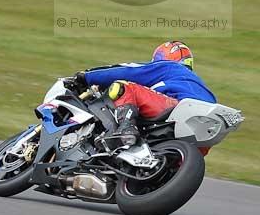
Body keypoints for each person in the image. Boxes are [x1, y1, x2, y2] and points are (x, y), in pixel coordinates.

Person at [67, 41, 216, 149]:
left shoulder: (169, 67)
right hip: (203, 128)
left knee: (124, 87)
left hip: (175, 108)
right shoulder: (198, 84)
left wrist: (86, 77)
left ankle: (126, 128)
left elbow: (128, 71)